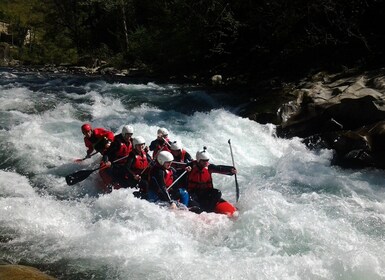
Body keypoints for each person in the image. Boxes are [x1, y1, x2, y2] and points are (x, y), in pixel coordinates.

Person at [186, 147, 238, 216]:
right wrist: (186, 169)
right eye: (203, 161)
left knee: (217, 193)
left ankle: (209, 210)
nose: (206, 162)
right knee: (192, 201)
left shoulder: (209, 167)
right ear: (198, 160)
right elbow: (180, 171)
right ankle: (199, 210)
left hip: (206, 192)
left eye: (207, 160)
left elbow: (219, 168)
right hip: (194, 193)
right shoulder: (190, 166)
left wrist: (230, 170)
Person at [99, 125, 134, 190]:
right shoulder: (117, 142)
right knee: (113, 171)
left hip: (125, 163)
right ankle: (112, 182)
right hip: (114, 164)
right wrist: (107, 161)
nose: (129, 137)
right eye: (127, 135)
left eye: (130, 135)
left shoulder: (131, 141)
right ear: (123, 134)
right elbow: (106, 154)